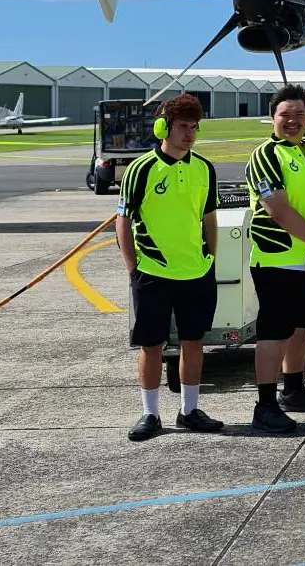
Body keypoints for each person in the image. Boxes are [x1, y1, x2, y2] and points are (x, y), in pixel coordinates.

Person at [117, 93, 224, 440]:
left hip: (196, 271)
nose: (190, 134)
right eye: (182, 127)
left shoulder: (204, 168)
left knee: (194, 342)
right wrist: (133, 267)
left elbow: (209, 216)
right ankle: (150, 415)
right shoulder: (141, 169)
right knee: (152, 346)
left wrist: (211, 259)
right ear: (164, 127)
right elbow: (123, 219)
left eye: (194, 128)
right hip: (154, 272)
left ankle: (189, 410)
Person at [246, 84, 305, 435]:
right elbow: (279, 210)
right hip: (278, 259)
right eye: (285, 114)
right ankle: (265, 405)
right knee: (274, 332)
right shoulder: (265, 155)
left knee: (302, 327)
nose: (293, 121)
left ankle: (294, 388)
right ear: (272, 118)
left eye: (300, 114)